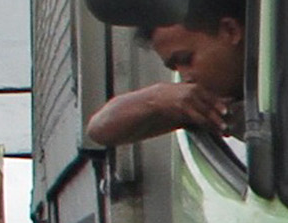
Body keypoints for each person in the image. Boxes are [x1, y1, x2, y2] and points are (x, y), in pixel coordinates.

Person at [83, 12, 243, 149]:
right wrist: (156, 98)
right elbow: (99, 129)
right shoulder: (201, 102)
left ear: (230, 30)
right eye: (175, 68)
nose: (185, 77)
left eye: (187, 59)